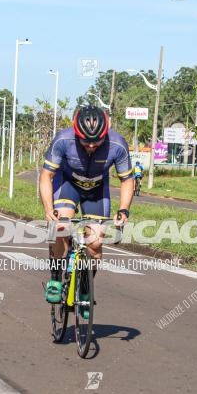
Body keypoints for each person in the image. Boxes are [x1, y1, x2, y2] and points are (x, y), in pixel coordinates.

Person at [39, 105, 134, 310]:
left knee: (96, 244)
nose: (91, 145)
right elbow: (46, 175)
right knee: (60, 228)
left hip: (97, 190)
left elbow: (127, 180)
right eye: (85, 141)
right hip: (67, 185)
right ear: (76, 133)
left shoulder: (117, 144)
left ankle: (84, 287)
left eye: (96, 141)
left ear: (105, 134)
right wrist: (48, 208)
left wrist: (124, 209)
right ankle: (56, 278)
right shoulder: (63, 140)